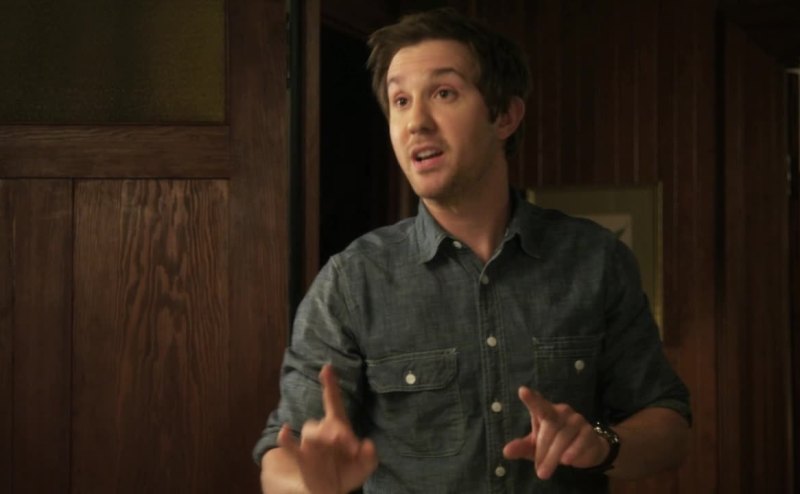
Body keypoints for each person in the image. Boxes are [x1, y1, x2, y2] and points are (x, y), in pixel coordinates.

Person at [254, 7, 691, 493]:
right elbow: (280, 455)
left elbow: (669, 424)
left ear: (504, 116)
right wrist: (308, 482)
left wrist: (601, 443)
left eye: (444, 93)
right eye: (400, 101)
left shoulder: (596, 260)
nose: (415, 122)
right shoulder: (351, 281)